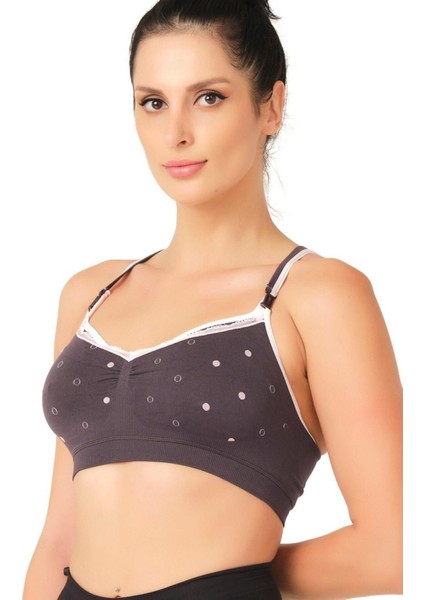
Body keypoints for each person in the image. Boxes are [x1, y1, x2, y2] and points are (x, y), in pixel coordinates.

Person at [23, 0, 402, 598]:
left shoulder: (315, 296)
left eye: (208, 97)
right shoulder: (91, 295)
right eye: (153, 102)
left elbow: (394, 549)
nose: (175, 132)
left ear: (271, 106)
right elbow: (57, 543)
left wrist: (229, 577)